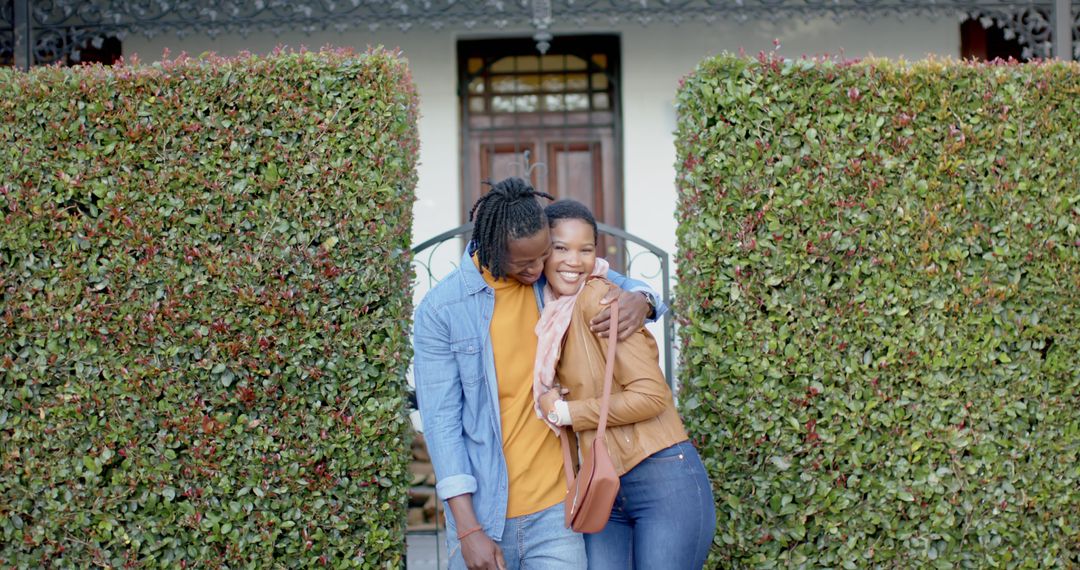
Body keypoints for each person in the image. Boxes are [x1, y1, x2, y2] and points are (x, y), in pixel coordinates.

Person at [412, 178, 666, 570]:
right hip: (485, 517)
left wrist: (643, 300)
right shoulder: (442, 310)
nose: (537, 268)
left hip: (555, 512)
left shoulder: (547, 280)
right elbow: (442, 425)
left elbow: (616, 281)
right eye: (524, 262)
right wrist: (467, 530)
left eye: (543, 255)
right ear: (495, 250)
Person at [535, 199, 715, 570]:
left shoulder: (602, 298)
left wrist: (564, 411)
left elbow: (652, 396)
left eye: (585, 250)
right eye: (560, 248)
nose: (574, 260)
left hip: (660, 476)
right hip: (604, 486)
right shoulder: (550, 310)